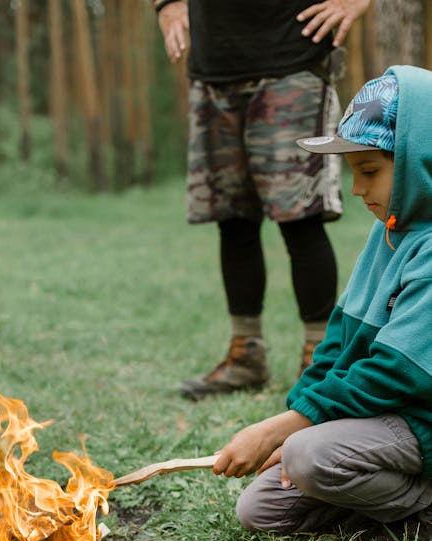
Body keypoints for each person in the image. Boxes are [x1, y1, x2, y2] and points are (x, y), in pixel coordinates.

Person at [212, 66, 432, 541]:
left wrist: (289, 428)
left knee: (309, 456)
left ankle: (421, 505)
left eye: (369, 172)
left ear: (421, 160)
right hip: (383, 422)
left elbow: (399, 370)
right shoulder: (387, 235)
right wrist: (298, 420)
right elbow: (338, 344)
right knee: (261, 508)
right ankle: (389, 505)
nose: (357, 190)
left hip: (422, 422)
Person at [154, 0, 371, 400]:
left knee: (301, 219)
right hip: (213, 70)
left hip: (292, 63)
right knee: (232, 220)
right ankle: (245, 355)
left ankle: (319, 359)